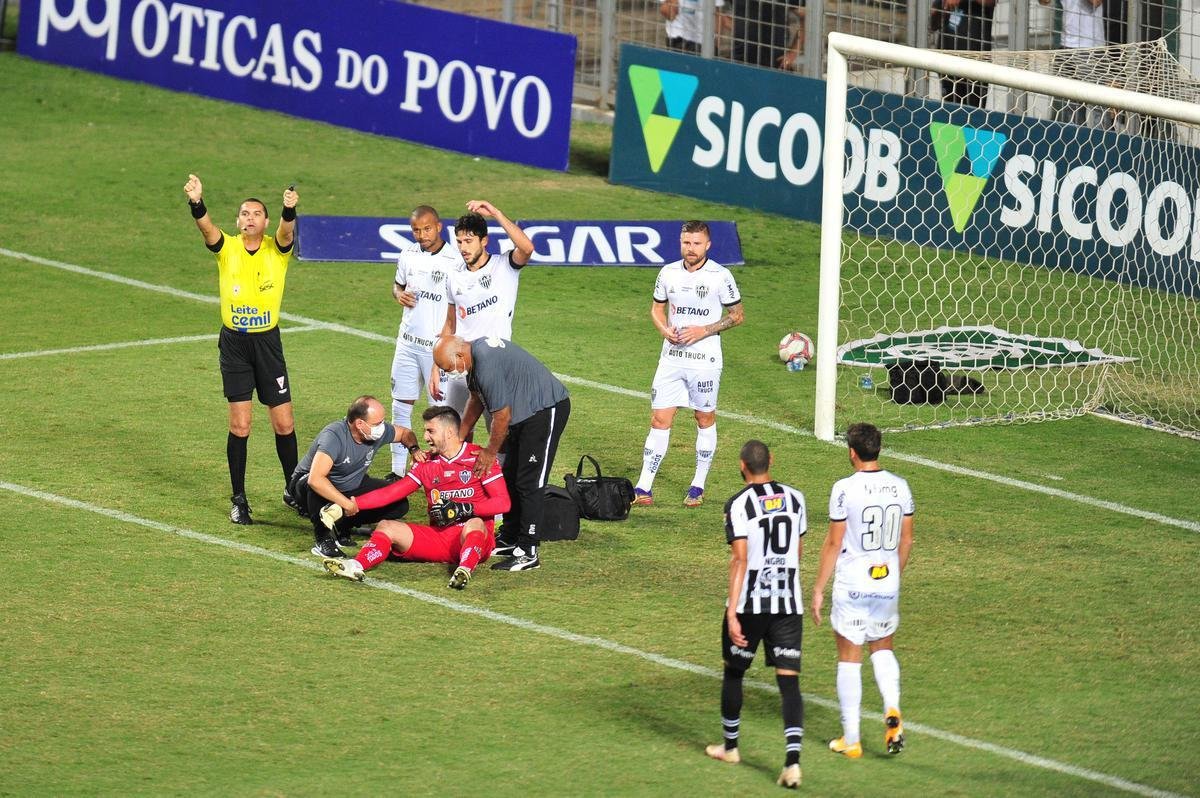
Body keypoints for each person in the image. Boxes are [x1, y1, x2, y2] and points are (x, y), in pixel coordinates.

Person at [183, 173, 302, 526]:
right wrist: (196, 202)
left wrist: (289, 210)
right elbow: (207, 229)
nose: (249, 218)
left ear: (265, 222)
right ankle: (239, 498)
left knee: (284, 423)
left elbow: (287, 234)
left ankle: (293, 489)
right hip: (235, 345)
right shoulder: (228, 249)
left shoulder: (276, 250)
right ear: (238, 221)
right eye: (244, 214)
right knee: (240, 425)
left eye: (256, 214)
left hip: (267, 343)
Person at [705, 440, 807, 789]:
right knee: (789, 682)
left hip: (751, 603)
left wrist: (733, 612)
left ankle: (731, 747)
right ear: (771, 460)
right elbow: (797, 551)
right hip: (788, 603)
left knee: (734, 672)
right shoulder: (796, 498)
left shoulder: (738, 504)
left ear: (742, 466)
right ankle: (792, 763)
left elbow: (740, 559)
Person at [809, 422, 914, 759]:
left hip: (854, 583)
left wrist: (818, 588)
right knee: (882, 648)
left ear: (852, 453)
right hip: (887, 582)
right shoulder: (900, 487)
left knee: (849, 657)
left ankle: (852, 739)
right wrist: (893, 575)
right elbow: (907, 540)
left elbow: (834, 542)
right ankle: (892, 708)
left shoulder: (844, 489)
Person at [321, 405, 510, 590]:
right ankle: (356, 565)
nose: (425, 437)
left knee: (475, 523)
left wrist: (466, 508)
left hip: (473, 540)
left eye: (431, 431)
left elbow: (503, 503)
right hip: (440, 538)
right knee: (386, 526)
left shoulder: (480, 458)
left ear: (449, 432)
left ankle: (464, 570)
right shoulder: (426, 463)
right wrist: (350, 504)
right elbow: (391, 492)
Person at [432, 335, 570, 572]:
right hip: (525, 414)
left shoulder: (485, 363)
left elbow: (502, 416)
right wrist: (460, 436)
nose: (448, 372)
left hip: (544, 410)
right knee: (510, 475)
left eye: (447, 367)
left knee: (529, 482)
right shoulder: (473, 358)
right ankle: (509, 536)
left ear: (459, 356)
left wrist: (490, 452)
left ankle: (528, 550)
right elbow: (476, 400)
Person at [633, 221, 744, 508]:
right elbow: (657, 309)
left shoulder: (721, 276)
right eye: (686, 242)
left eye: (696, 243)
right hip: (671, 359)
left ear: (707, 245)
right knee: (659, 419)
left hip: (705, 362)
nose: (690, 248)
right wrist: (664, 330)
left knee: (703, 418)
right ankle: (643, 487)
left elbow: (737, 315)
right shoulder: (667, 272)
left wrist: (703, 330)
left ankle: (697, 486)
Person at [431, 201, 536, 421]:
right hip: (460, 363)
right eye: (459, 241)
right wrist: (436, 366)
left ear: (484, 240)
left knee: (498, 427)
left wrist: (496, 213)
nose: (463, 248)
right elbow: (450, 324)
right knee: (454, 425)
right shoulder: (454, 275)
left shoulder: (504, 265)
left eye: (469, 241)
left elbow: (527, 248)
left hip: (496, 364)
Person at [288, 395, 421, 558]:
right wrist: (347, 504)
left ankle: (343, 524)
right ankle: (323, 539)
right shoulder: (334, 436)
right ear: (359, 424)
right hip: (307, 486)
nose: (382, 427)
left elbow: (405, 433)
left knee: (399, 504)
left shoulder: (375, 432)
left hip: (350, 483)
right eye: (377, 423)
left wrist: (414, 449)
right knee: (315, 488)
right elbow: (315, 479)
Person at [388, 205, 463, 480]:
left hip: (437, 350)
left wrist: (448, 345)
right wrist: (399, 294)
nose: (422, 235)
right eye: (416, 230)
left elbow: (458, 307)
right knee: (400, 404)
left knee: (442, 414)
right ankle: (397, 470)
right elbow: (397, 285)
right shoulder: (407, 254)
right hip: (407, 343)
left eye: (427, 229)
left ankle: (445, 473)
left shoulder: (455, 260)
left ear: (439, 227)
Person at [1039, 0, 1105, 126]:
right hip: (1066, 46)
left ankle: (1104, 138)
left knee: (1099, 106)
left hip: (1090, 48)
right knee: (1070, 108)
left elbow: (1096, 2)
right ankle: (1077, 137)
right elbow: (1044, 2)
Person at [934, 0, 996, 108]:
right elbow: (933, 23)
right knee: (950, 110)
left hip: (976, 62)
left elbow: (990, 2)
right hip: (947, 59)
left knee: (974, 111)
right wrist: (941, 12)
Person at [730, 0, 799, 69]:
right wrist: (741, 29)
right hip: (741, 58)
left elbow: (804, 17)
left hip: (776, 61)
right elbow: (722, 15)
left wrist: (793, 53)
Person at [659, 0, 727, 54]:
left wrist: (716, 45)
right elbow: (667, 12)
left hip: (704, 42)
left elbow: (718, 15)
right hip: (679, 38)